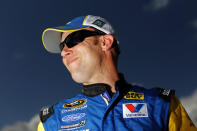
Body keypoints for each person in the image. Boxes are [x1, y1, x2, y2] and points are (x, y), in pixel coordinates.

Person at [37, 15, 196, 131]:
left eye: (72, 40)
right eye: (61, 47)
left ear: (105, 42)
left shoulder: (163, 105)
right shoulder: (51, 120)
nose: (63, 52)